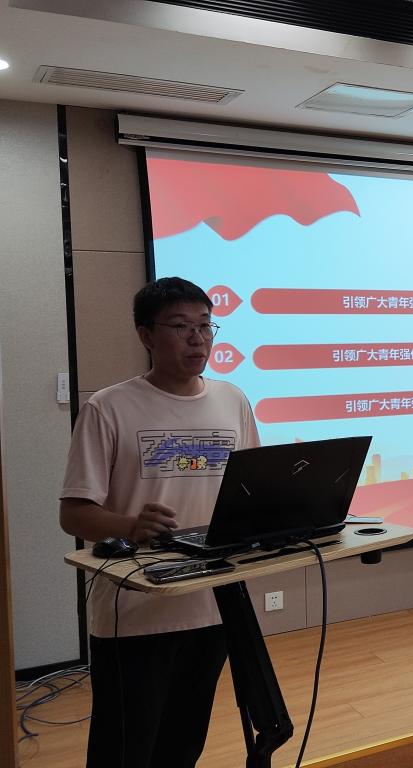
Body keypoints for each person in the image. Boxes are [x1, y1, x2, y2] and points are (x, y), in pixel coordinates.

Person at [59, 276, 259, 768]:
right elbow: (73, 514)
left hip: (214, 603)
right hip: (136, 612)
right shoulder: (108, 407)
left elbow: (252, 491)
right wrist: (130, 525)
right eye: (181, 327)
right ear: (146, 335)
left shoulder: (232, 400)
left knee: (183, 745)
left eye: (206, 326)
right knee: (125, 750)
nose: (198, 339)